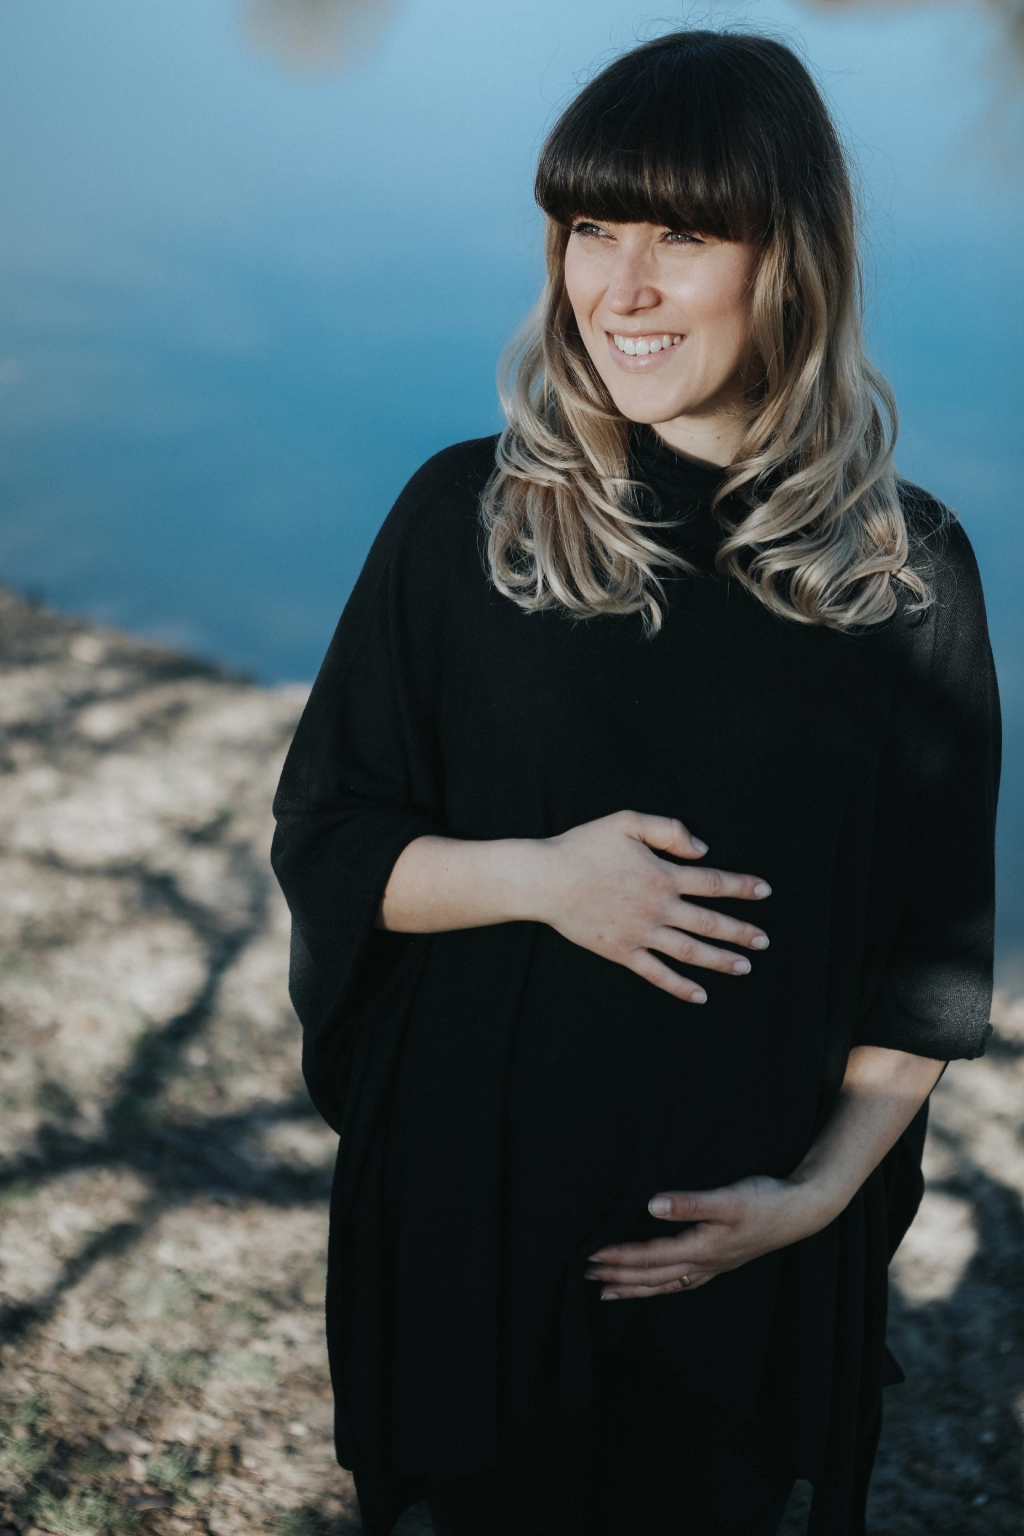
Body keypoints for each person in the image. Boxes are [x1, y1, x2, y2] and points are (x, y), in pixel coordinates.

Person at [271, 30, 999, 1536]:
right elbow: (329, 838)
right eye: (593, 229)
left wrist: (815, 1199)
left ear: (789, 259)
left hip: (736, 1252)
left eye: (683, 237)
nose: (622, 288)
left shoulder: (901, 572)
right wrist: (546, 880)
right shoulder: (468, 519)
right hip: (477, 1214)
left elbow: (928, 957)